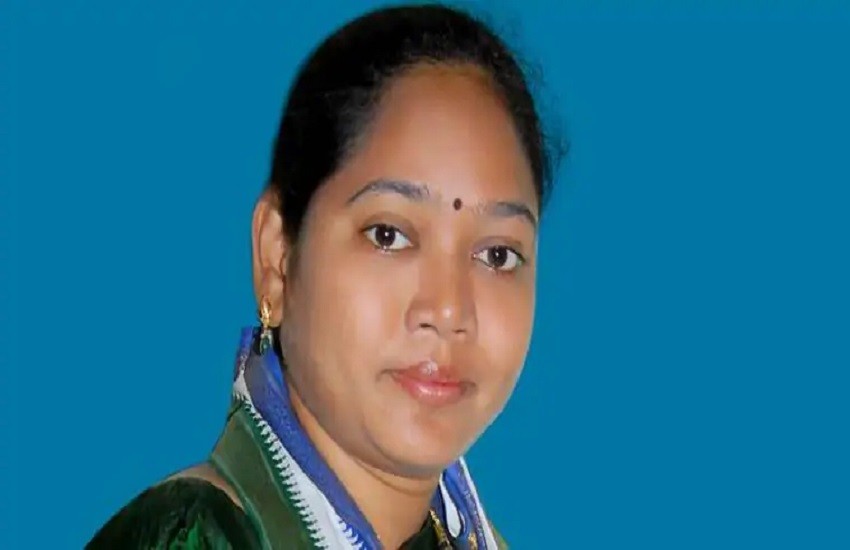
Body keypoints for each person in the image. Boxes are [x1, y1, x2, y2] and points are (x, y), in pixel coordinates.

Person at [87, 3, 559, 548]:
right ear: (277, 257)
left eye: (497, 255)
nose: (450, 309)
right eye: (389, 235)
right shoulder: (195, 538)